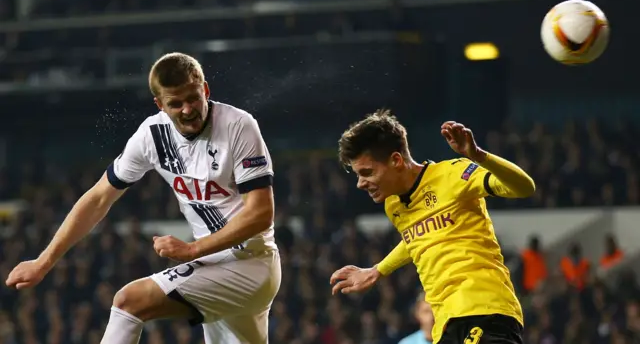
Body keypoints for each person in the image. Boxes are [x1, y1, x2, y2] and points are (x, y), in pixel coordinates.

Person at [5, 52, 281, 344]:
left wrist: (193, 249)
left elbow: (260, 214)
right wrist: (44, 261)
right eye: (175, 103)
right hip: (215, 266)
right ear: (160, 104)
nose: (188, 110)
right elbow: (99, 197)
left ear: (206, 90)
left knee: (128, 301)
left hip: (250, 262)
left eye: (193, 98)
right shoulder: (152, 135)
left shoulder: (238, 125)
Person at [330, 110, 535, 344]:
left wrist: (478, 156)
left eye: (367, 172)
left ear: (396, 160)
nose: (360, 184)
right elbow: (417, 239)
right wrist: (378, 270)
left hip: (485, 310)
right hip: (445, 325)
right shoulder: (393, 204)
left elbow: (524, 188)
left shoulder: (454, 175)